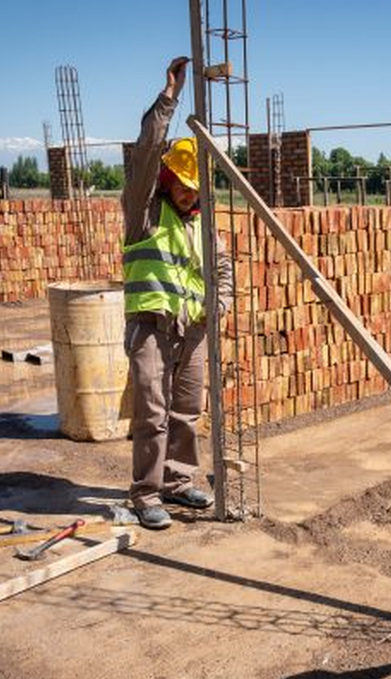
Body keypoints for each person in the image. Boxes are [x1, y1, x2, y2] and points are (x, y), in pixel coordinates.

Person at [122, 56, 233, 530]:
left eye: (197, 190)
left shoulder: (204, 225)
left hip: (193, 330)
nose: (191, 197)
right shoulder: (143, 213)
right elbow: (147, 150)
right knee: (153, 413)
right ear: (169, 181)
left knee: (187, 410)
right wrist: (169, 100)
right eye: (184, 188)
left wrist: (218, 305)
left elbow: (223, 269)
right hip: (151, 326)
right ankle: (146, 493)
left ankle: (177, 481)